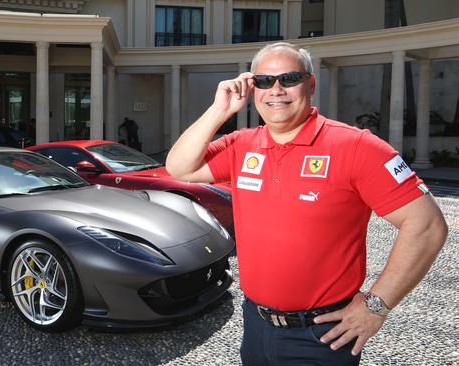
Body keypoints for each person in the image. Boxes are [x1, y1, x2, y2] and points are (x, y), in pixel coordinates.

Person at [166, 42, 447, 365]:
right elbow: (180, 167)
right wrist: (220, 110)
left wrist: (376, 306)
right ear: (251, 87)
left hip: (321, 335)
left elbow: (426, 226)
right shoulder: (243, 144)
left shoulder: (356, 146)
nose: (276, 90)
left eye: (288, 79)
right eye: (263, 81)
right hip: (256, 326)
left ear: (310, 84)